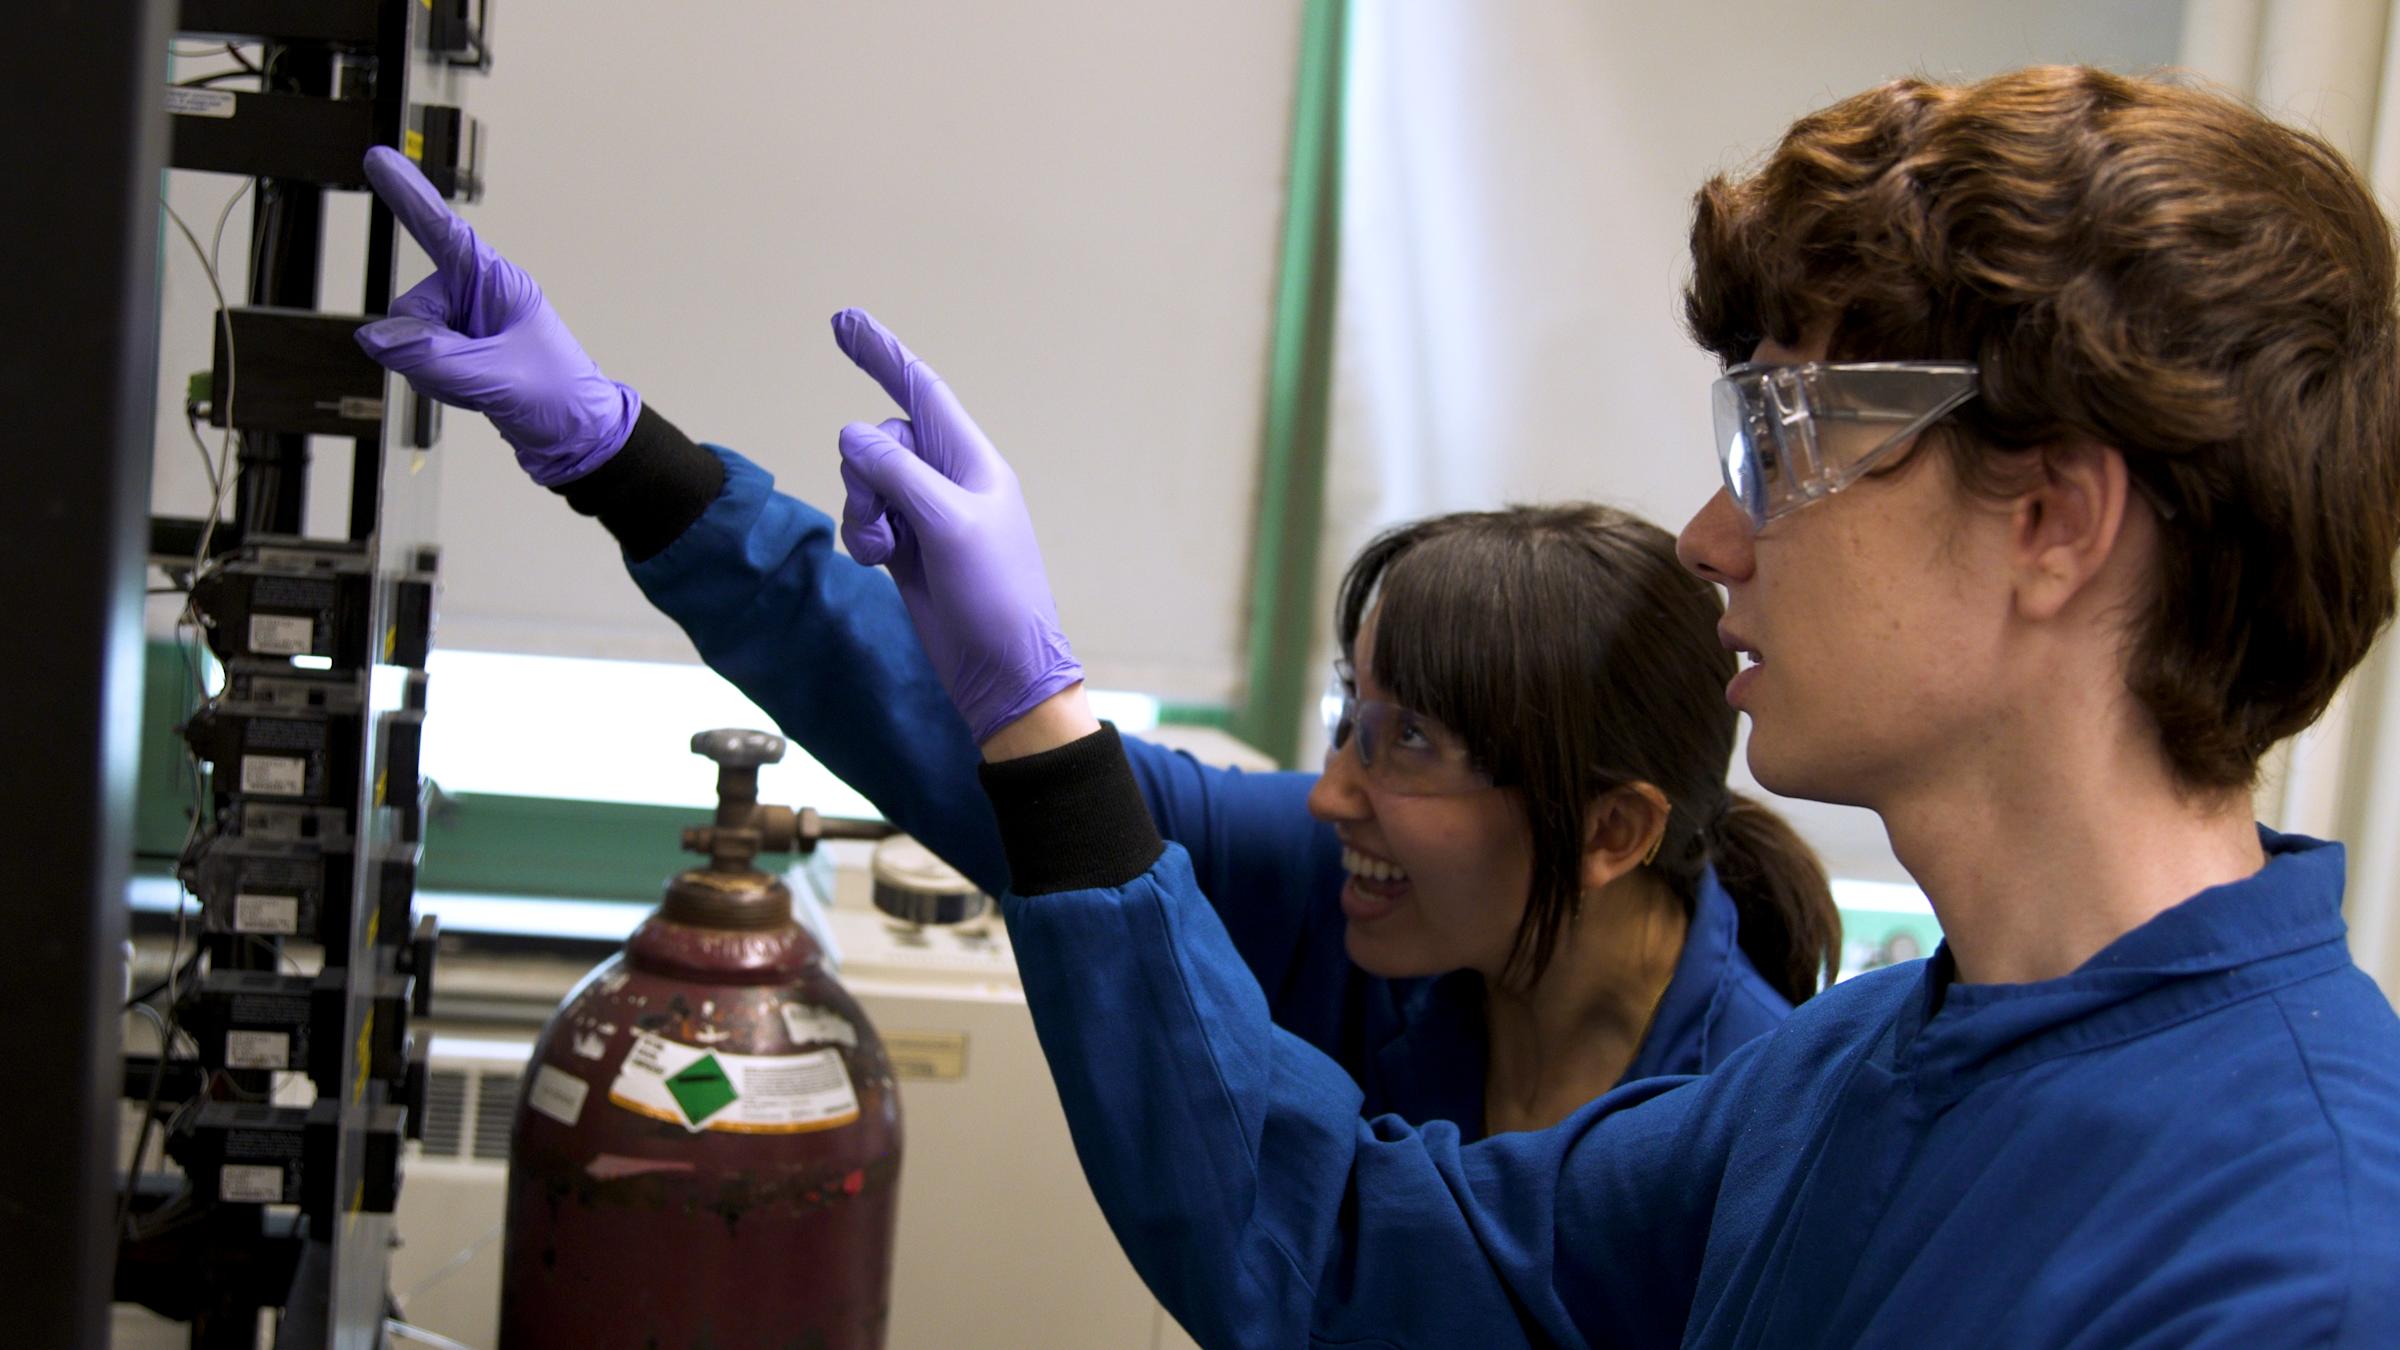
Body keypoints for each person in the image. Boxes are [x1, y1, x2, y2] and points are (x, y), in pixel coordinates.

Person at [804, 65, 2400, 1345]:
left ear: (2052, 523)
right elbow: (1356, 1258)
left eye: (1784, 440)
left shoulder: (2296, 1264)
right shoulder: (1857, 1070)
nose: (1711, 540)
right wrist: (1032, 717)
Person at [348, 161, 1839, 1140]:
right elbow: (978, 749)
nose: (1332, 795)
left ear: (1612, 830)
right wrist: (616, 451)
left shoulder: (1758, 1135)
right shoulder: (1359, 893)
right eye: (1349, 719)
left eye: (1410, 745)